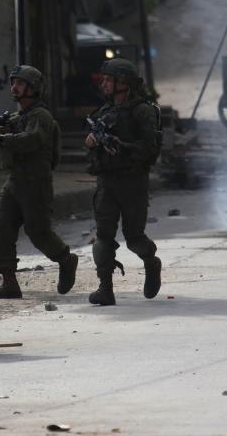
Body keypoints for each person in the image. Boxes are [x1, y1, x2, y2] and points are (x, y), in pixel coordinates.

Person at [0, 64, 79, 299]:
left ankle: (66, 259)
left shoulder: (40, 116)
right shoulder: (17, 117)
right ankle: (9, 282)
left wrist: (2, 138)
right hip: (14, 180)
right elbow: (0, 143)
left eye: (21, 83)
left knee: (38, 232)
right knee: (1, 225)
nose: (15, 87)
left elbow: (30, 140)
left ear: (34, 88)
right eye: (13, 82)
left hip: (35, 183)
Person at [84, 58, 162, 306]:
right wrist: (93, 143)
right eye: (103, 79)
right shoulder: (104, 111)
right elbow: (94, 147)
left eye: (109, 79)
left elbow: (150, 149)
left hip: (133, 183)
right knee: (103, 238)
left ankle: (151, 262)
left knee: (134, 238)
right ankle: (105, 289)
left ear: (124, 83)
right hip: (107, 183)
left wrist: (124, 147)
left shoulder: (143, 111)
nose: (104, 84)